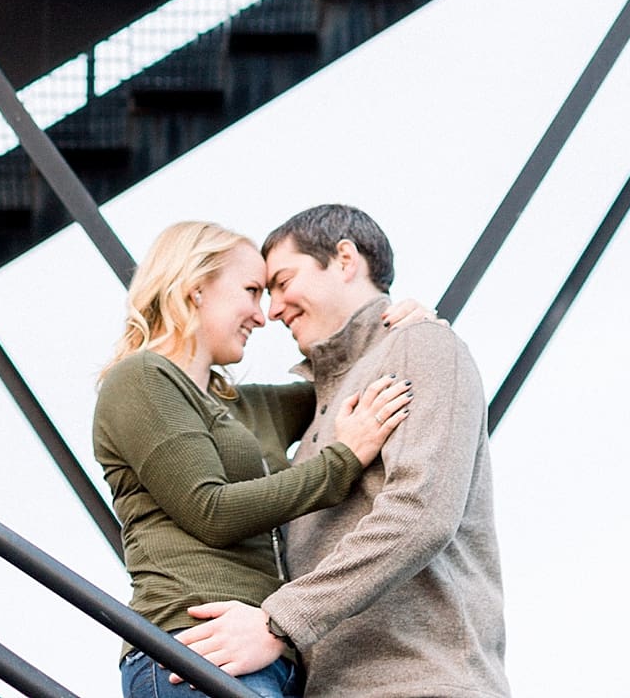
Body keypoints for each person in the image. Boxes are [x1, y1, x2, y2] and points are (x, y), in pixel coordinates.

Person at [178, 203, 511, 698]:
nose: (272, 310)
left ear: (345, 259)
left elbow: (423, 512)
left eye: (283, 282)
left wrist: (276, 623)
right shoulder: (321, 403)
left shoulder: (419, 347)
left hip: (421, 683)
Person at [92, 220, 414, 697]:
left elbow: (346, 382)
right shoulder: (141, 380)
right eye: (251, 290)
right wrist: (343, 460)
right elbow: (212, 512)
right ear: (196, 286)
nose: (263, 316)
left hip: (269, 655)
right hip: (194, 645)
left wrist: (403, 329)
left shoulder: (245, 407)